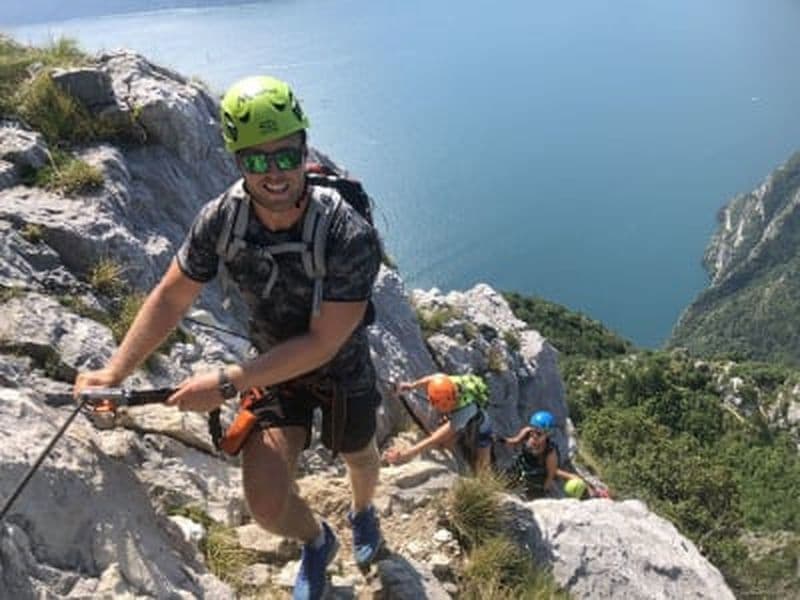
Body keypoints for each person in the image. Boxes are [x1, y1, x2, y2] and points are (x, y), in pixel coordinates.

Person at [73, 75, 384, 600]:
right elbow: (172, 297)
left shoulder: (347, 233)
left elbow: (323, 343)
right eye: (256, 161)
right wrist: (115, 371)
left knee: (359, 455)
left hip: (340, 368)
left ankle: (363, 509)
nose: (275, 173)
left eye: (285, 155)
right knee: (264, 504)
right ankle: (317, 540)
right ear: (237, 161)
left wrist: (225, 382)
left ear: (304, 149)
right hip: (272, 369)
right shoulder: (223, 220)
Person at [383, 373, 493, 473]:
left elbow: (435, 438)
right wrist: (411, 386)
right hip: (459, 416)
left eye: (443, 407)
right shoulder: (444, 382)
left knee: (483, 462)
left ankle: (485, 484)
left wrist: (407, 454)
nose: (439, 409)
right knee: (445, 443)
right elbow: (431, 379)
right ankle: (457, 438)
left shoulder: (463, 413)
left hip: (480, 425)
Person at [504, 410, 602, 499]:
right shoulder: (527, 432)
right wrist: (501, 440)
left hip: (538, 474)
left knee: (531, 495)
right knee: (505, 484)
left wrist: (544, 490)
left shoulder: (550, 452)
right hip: (521, 465)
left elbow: (551, 474)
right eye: (533, 430)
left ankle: (592, 491)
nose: (534, 435)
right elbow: (515, 441)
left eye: (539, 433)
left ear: (547, 434)